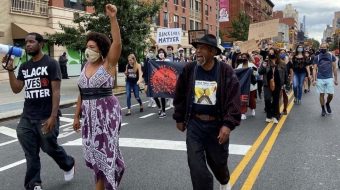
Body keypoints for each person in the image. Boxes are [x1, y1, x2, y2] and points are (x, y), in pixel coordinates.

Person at [3, 32, 75, 190]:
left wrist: (53, 117)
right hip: (27, 117)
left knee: (49, 147)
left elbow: (56, 92)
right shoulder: (24, 66)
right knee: (30, 153)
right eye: (26, 42)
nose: (27, 44)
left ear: (41, 44)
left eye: (31, 41)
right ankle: (34, 184)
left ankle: (68, 163)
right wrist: (10, 70)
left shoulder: (51, 63)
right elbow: (16, 89)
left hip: (46, 116)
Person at [173, 34, 240, 190]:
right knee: (196, 167)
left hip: (217, 126)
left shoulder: (226, 71)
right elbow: (180, 94)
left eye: (202, 48)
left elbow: (234, 100)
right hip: (195, 125)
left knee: (218, 163)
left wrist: (227, 125)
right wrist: (179, 117)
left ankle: (224, 181)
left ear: (212, 52)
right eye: (197, 48)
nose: (197, 51)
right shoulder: (190, 69)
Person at [72, 4, 125, 190]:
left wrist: (113, 18)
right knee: (94, 155)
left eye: (92, 47)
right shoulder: (85, 66)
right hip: (89, 117)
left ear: (100, 48)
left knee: (105, 153)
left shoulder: (108, 64)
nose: (88, 50)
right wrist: (76, 115)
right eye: (87, 47)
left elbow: (117, 43)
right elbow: (82, 92)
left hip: (106, 115)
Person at [312, 43, 338, 116]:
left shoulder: (331, 56)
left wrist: (336, 79)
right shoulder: (317, 57)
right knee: (322, 94)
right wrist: (314, 79)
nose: (323, 48)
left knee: (331, 94)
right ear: (320, 48)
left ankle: (327, 103)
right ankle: (323, 109)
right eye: (321, 47)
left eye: (324, 47)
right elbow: (314, 69)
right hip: (320, 78)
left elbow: (334, 68)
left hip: (329, 77)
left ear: (327, 48)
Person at [236, 53, 258, 120]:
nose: (243, 58)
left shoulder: (252, 65)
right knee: (243, 99)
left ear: (247, 58)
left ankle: (252, 109)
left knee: (251, 99)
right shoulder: (239, 66)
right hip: (243, 85)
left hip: (251, 85)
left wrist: (252, 71)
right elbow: (236, 73)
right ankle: (243, 113)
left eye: (245, 57)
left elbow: (256, 73)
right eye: (242, 57)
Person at [154, 48, 170, 118]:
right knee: (155, 96)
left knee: (162, 96)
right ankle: (160, 108)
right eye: (159, 52)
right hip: (157, 81)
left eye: (162, 52)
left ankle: (163, 111)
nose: (161, 54)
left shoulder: (167, 60)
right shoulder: (156, 61)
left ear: (164, 54)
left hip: (165, 81)